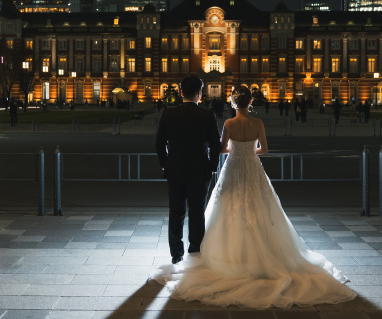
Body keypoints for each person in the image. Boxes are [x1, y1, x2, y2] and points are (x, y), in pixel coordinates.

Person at [151, 84, 356, 308]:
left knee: (219, 207)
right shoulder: (257, 123)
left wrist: (234, 150)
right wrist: (249, 150)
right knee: (258, 206)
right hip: (253, 166)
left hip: (231, 167)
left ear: (232, 102)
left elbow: (220, 149)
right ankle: (260, 252)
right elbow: (264, 149)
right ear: (250, 102)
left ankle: (194, 253)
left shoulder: (228, 123)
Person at [155, 75, 221, 265]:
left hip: (175, 170)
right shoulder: (207, 115)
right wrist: (211, 167)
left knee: (176, 212)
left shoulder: (168, 115)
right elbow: (215, 146)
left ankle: (176, 253)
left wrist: (165, 164)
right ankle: (195, 250)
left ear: (181, 93)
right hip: (199, 171)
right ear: (199, 93)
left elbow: (159, 145)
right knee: (197, 213)